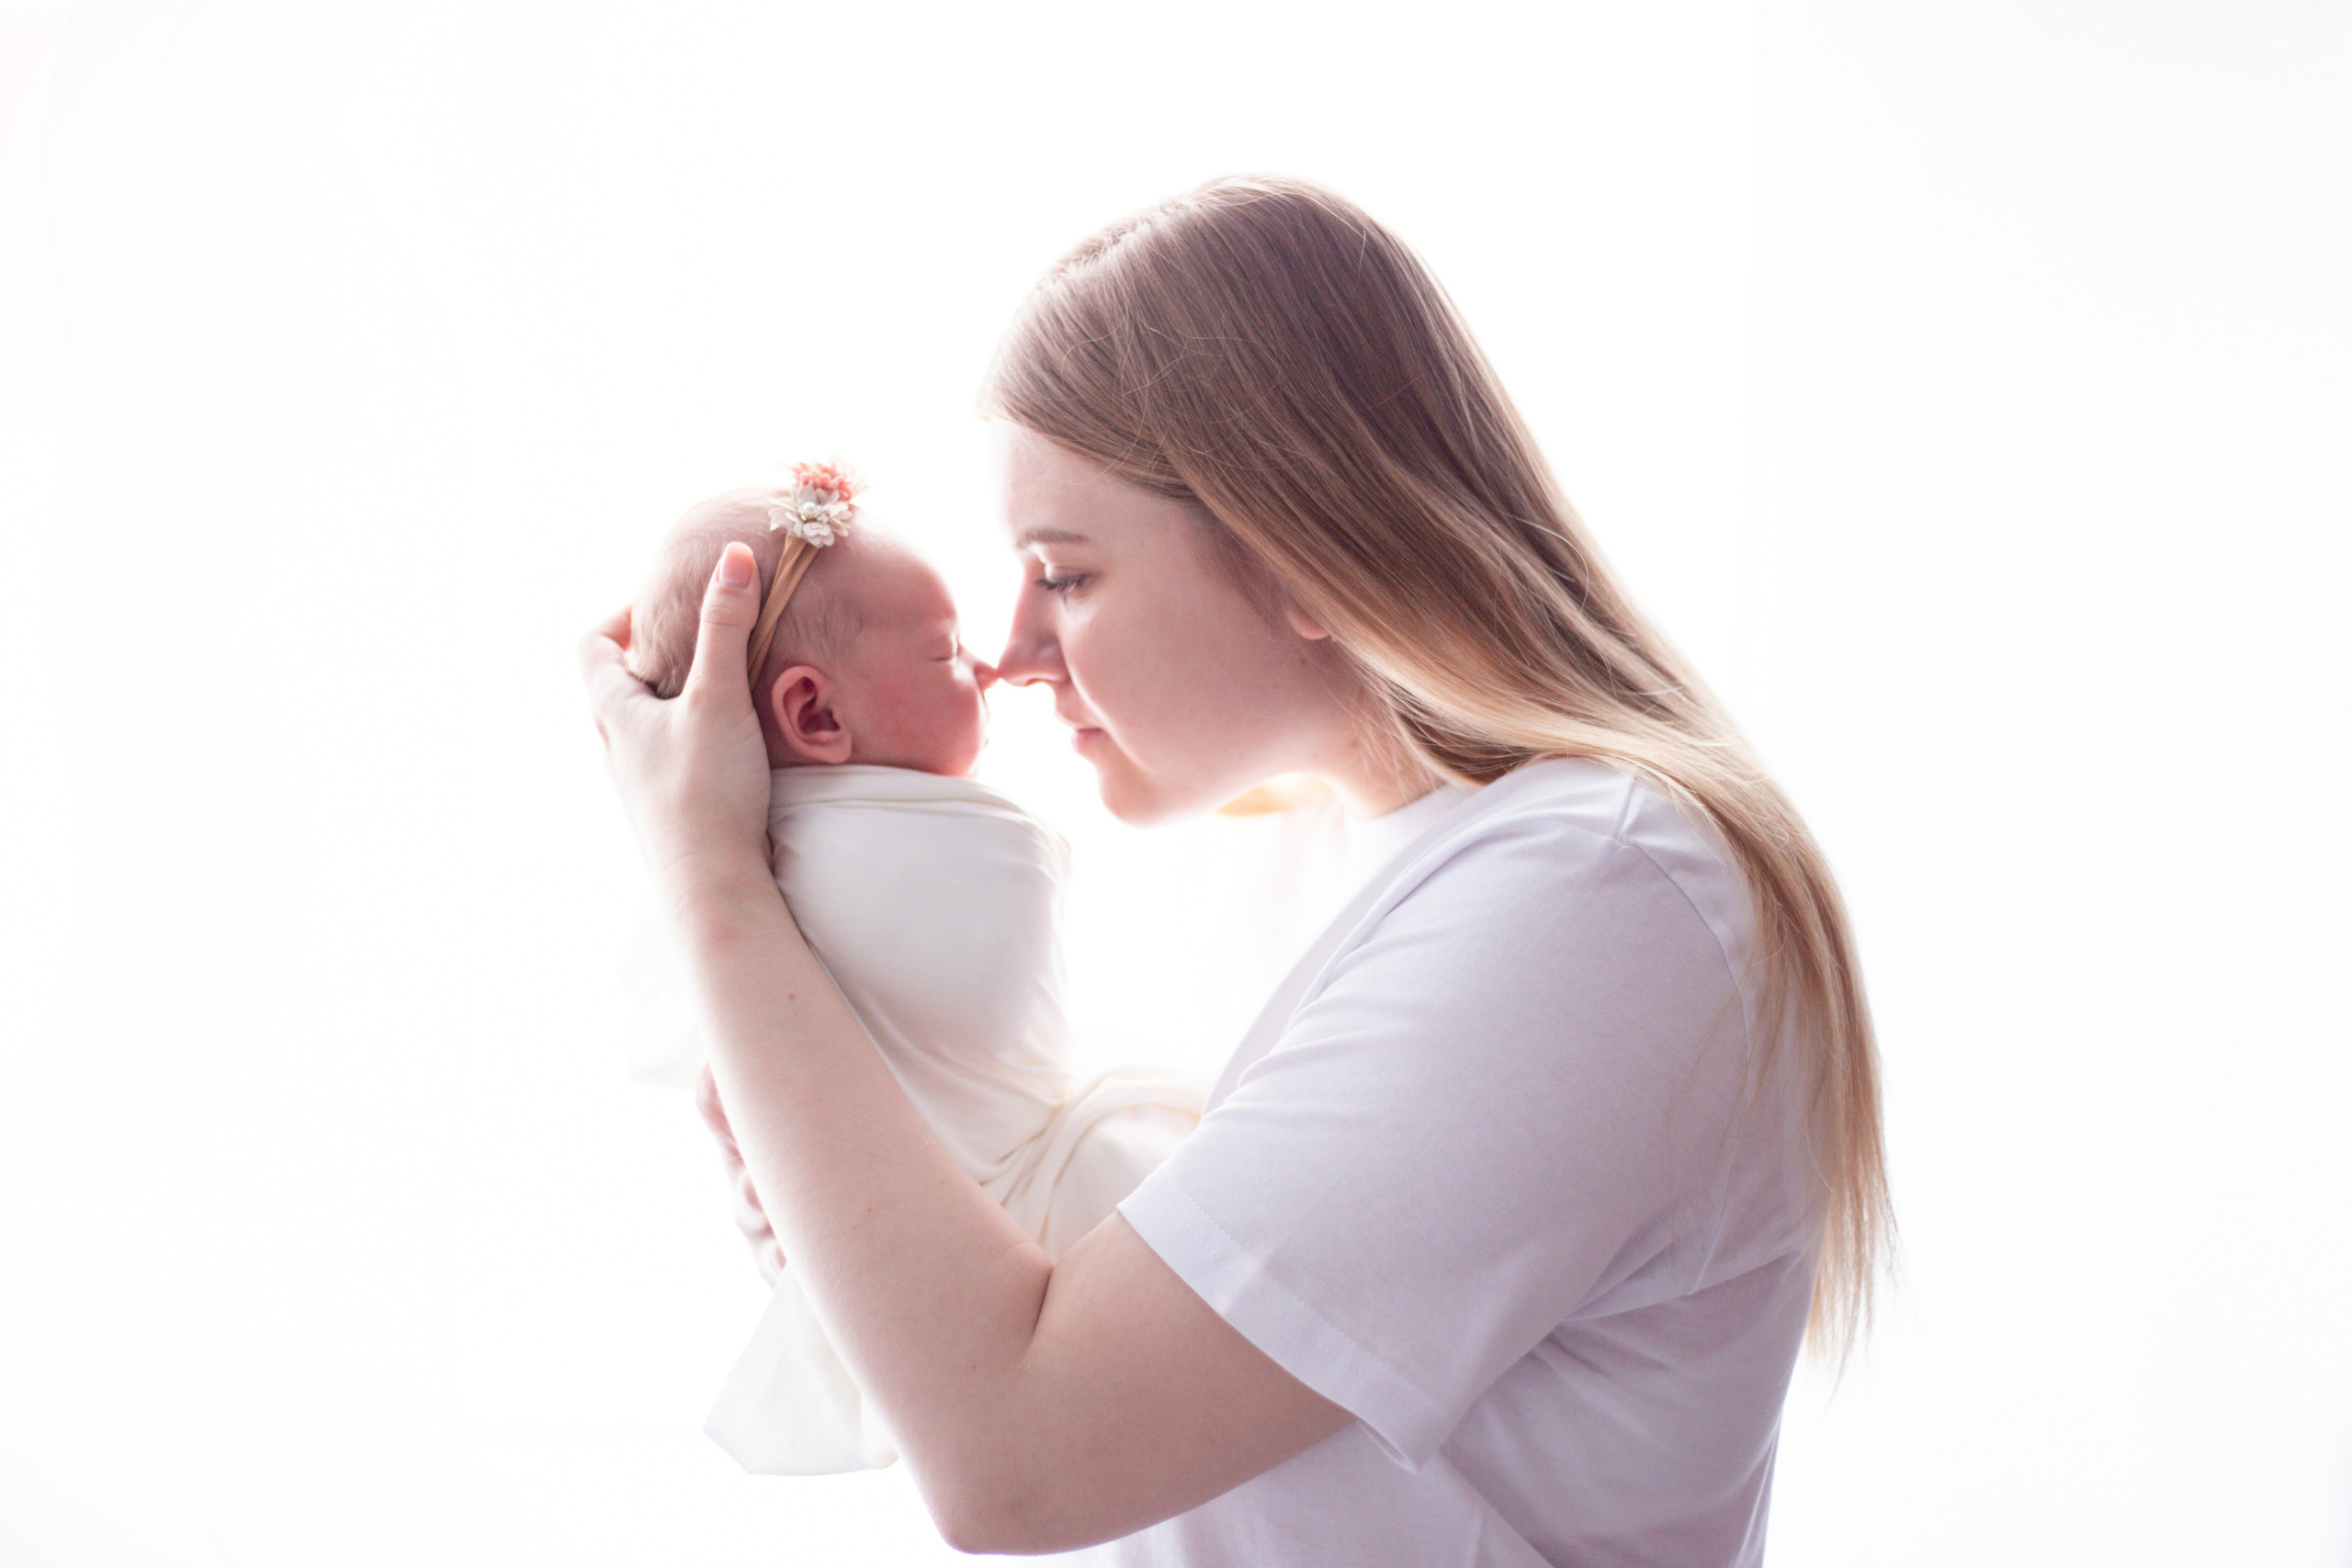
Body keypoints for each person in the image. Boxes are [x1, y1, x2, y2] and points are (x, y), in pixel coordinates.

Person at [580, 174, 1890, 1564]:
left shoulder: (1597, 905)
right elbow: (1024, 1339)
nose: (1016, 651)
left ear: (1307, 558)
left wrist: (711, 873)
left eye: (1066, 574)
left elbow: (1018, 1456)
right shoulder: (1293, 861)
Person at [616, 474, 1202, 1474]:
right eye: (943, 652)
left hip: (896, 1272)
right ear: (814, 713)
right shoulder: (961, 854)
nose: (986, 665)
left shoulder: (727, 878)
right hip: (1033, 1235)